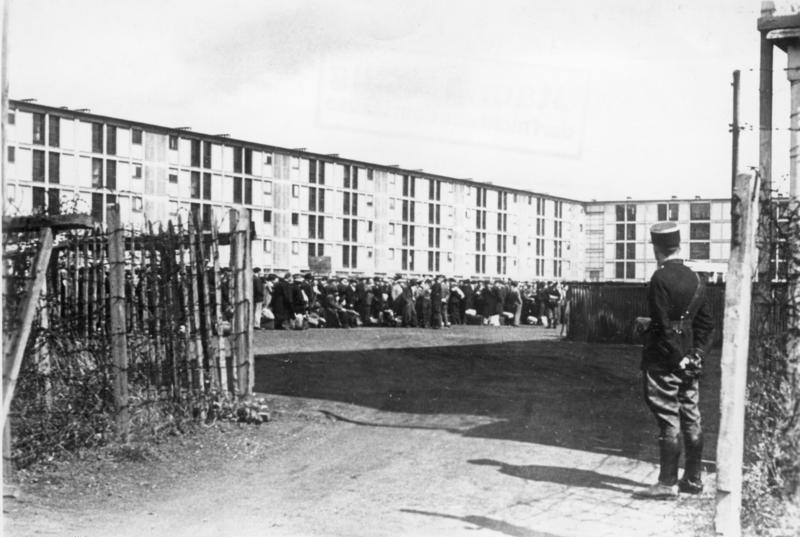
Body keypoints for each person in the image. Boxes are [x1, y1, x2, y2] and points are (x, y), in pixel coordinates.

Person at [636, 222, 714, 499]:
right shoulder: (696, 278)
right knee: (692, 417)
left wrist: (676, 357)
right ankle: (692, 480)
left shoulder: (660, 278)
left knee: (669, 419)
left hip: (663, 361)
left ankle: (666, 484)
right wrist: (695, 355)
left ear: (656, 248)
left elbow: (662, 325)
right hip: (690, 360)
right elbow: (706, 325)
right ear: (679, 246)